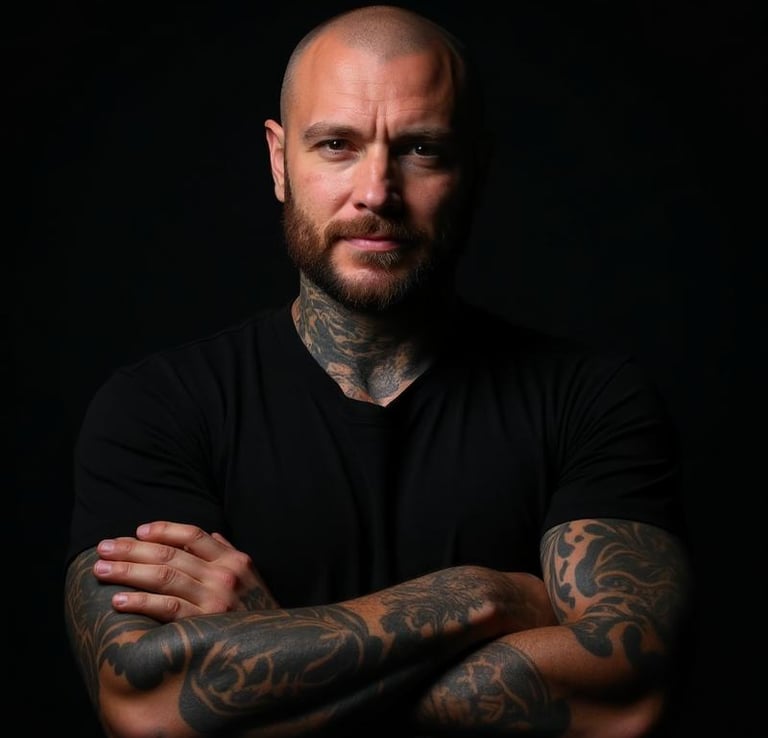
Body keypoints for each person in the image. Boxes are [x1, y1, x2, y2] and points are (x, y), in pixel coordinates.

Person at [63, 5, 693, 737]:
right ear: (280, 161)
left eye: (422, 150)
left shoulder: (593, 402)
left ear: (476, 169)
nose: (376, 192)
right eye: (336, 145)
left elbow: (623, 699)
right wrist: (482, 597)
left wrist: (267, 659)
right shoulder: (159, 409)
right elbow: (146, 707)